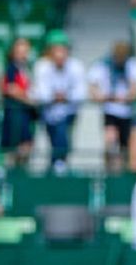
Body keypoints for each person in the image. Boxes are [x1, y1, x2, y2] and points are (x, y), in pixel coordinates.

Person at [32, 31, 86, 175]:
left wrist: (63, 97)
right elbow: (41, 94)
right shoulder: (41, 66)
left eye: (63, 49)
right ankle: (56, 164)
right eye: (56, 50)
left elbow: (80, 93)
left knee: (62, 135)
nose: (60, 54)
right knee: (54, 139)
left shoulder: (76, 66)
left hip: (69, 111)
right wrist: (56, 97)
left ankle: (59, 164)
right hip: (48, 112)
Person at [88, 41, 136, 172]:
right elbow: (93, 88)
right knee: (110, 140)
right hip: (110, 111)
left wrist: (127, 96)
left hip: (127, 112)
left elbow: (135, 90)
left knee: (126, 145)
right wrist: (105, 97)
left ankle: (124, 169)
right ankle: (108, 168)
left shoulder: (132, 65)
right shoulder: (103, 65)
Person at [0, 38, 35, 168]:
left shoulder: (27, 68)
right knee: (13, 148)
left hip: (26, 113)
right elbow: (9, 88)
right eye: (20, 51)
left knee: (26, 145)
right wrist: (29, 99)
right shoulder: (11, 68)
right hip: (14, 112)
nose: (23, 54)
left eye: (26, 51)